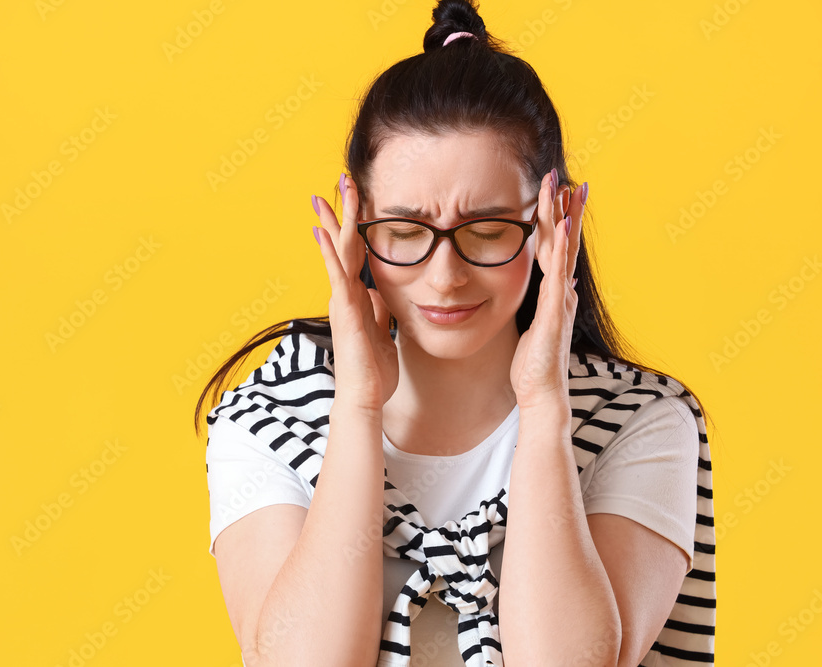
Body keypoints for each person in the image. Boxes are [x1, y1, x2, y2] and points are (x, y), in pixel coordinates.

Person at [195, 1, 716, 665]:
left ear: (554, 221)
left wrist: (544, 405)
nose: (444, 276)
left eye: (489, 231)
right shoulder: (269, 413)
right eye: (407, 232)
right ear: (357, 228)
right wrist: (356, 406)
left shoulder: (638, 420)